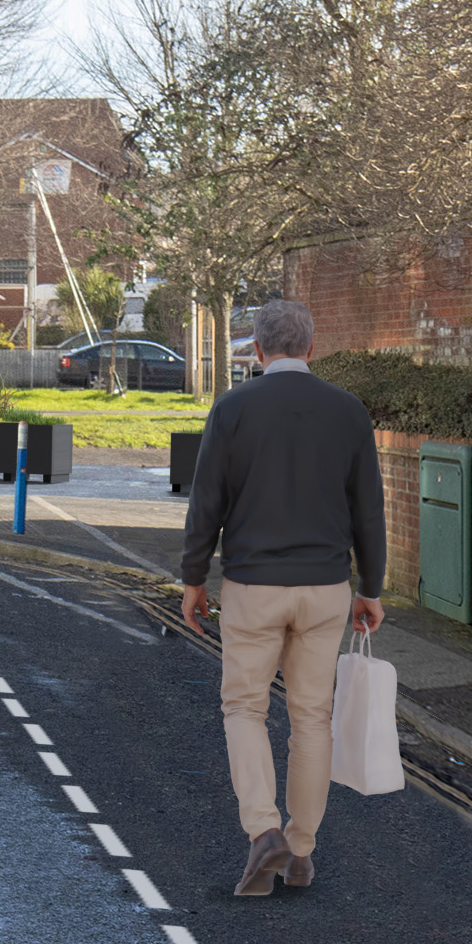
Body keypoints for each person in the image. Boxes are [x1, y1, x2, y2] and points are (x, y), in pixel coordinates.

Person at [175, 297, 385, 900]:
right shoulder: (348, 413)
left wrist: (194, 577)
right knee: (311, 719)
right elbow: (367, 510)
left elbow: (206, 502)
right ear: (312, 348)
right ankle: (300, 849)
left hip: (252, 587)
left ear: (258, 351)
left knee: (245, 708)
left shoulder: (234, 408)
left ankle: (262, 830)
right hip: (325, 590)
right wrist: (370, 587)